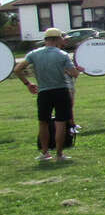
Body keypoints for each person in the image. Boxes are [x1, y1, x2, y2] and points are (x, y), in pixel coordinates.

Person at [14, 28, 80, 162]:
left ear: (46, 40)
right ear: (57, 39)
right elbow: (74, 74)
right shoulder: (62, 54)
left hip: (43, 92)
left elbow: (17, 69)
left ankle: (45, 153)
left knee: (43, 122)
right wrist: (71, 70)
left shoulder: (34, 54)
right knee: (60, 122)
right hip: (61, 91)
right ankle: (59, 154)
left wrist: (28, 84)